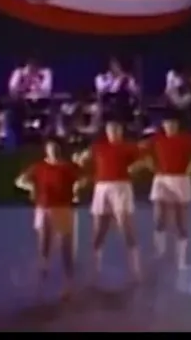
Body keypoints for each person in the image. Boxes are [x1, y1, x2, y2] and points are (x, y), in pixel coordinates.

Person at [14, 139, 87, 297]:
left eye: (55, 148)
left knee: (65, 245)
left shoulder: (67, 167)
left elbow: (82, 180)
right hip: (44, 208)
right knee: (44, 241)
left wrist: (75, 189)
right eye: (50, 148)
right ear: (46, 151)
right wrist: (31, 187)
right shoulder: (39, 167)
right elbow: (19, 181)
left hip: (62, 208)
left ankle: (69, 281)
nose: (53, 151)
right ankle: (43, 271)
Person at [75, 120, 146, 281]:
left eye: (116, 129)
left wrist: (134, 168)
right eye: (110, 130)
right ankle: (94, 268)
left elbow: (143, 161)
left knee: (126, 226)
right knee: (99, 229)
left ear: (120, 131)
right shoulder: (98, 147)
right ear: (107, 132)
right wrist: (80, 159)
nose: (113, 132)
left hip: (121, 187)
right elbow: (82, 158)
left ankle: (136, 268)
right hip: (102, 187)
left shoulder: (128, 147)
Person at [142, 114, 191, 269]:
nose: (170, 126)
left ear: (177, 125)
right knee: (159, 217)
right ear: (163, 125)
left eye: (173, 123)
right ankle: (159, 251)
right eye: (167, 123)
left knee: (181, 220)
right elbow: (142, 149)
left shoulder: (186, 138)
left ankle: (181, 258)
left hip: (180, 179)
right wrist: (152, 166)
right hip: (162, 179)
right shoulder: (157, 139)